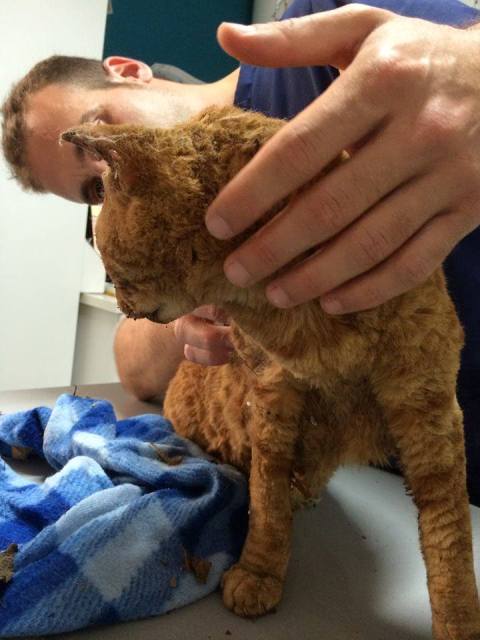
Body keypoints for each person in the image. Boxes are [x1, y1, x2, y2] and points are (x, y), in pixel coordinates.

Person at [1, 0, 479, 504]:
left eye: (98, 136)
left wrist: (469, 66)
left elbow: (448, 62)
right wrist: (190, 308)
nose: (113, 174)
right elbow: (135, 369)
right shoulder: (194, 250)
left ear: (128, 71)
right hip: (384, 485)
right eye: (95, 191)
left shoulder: (319, 36)